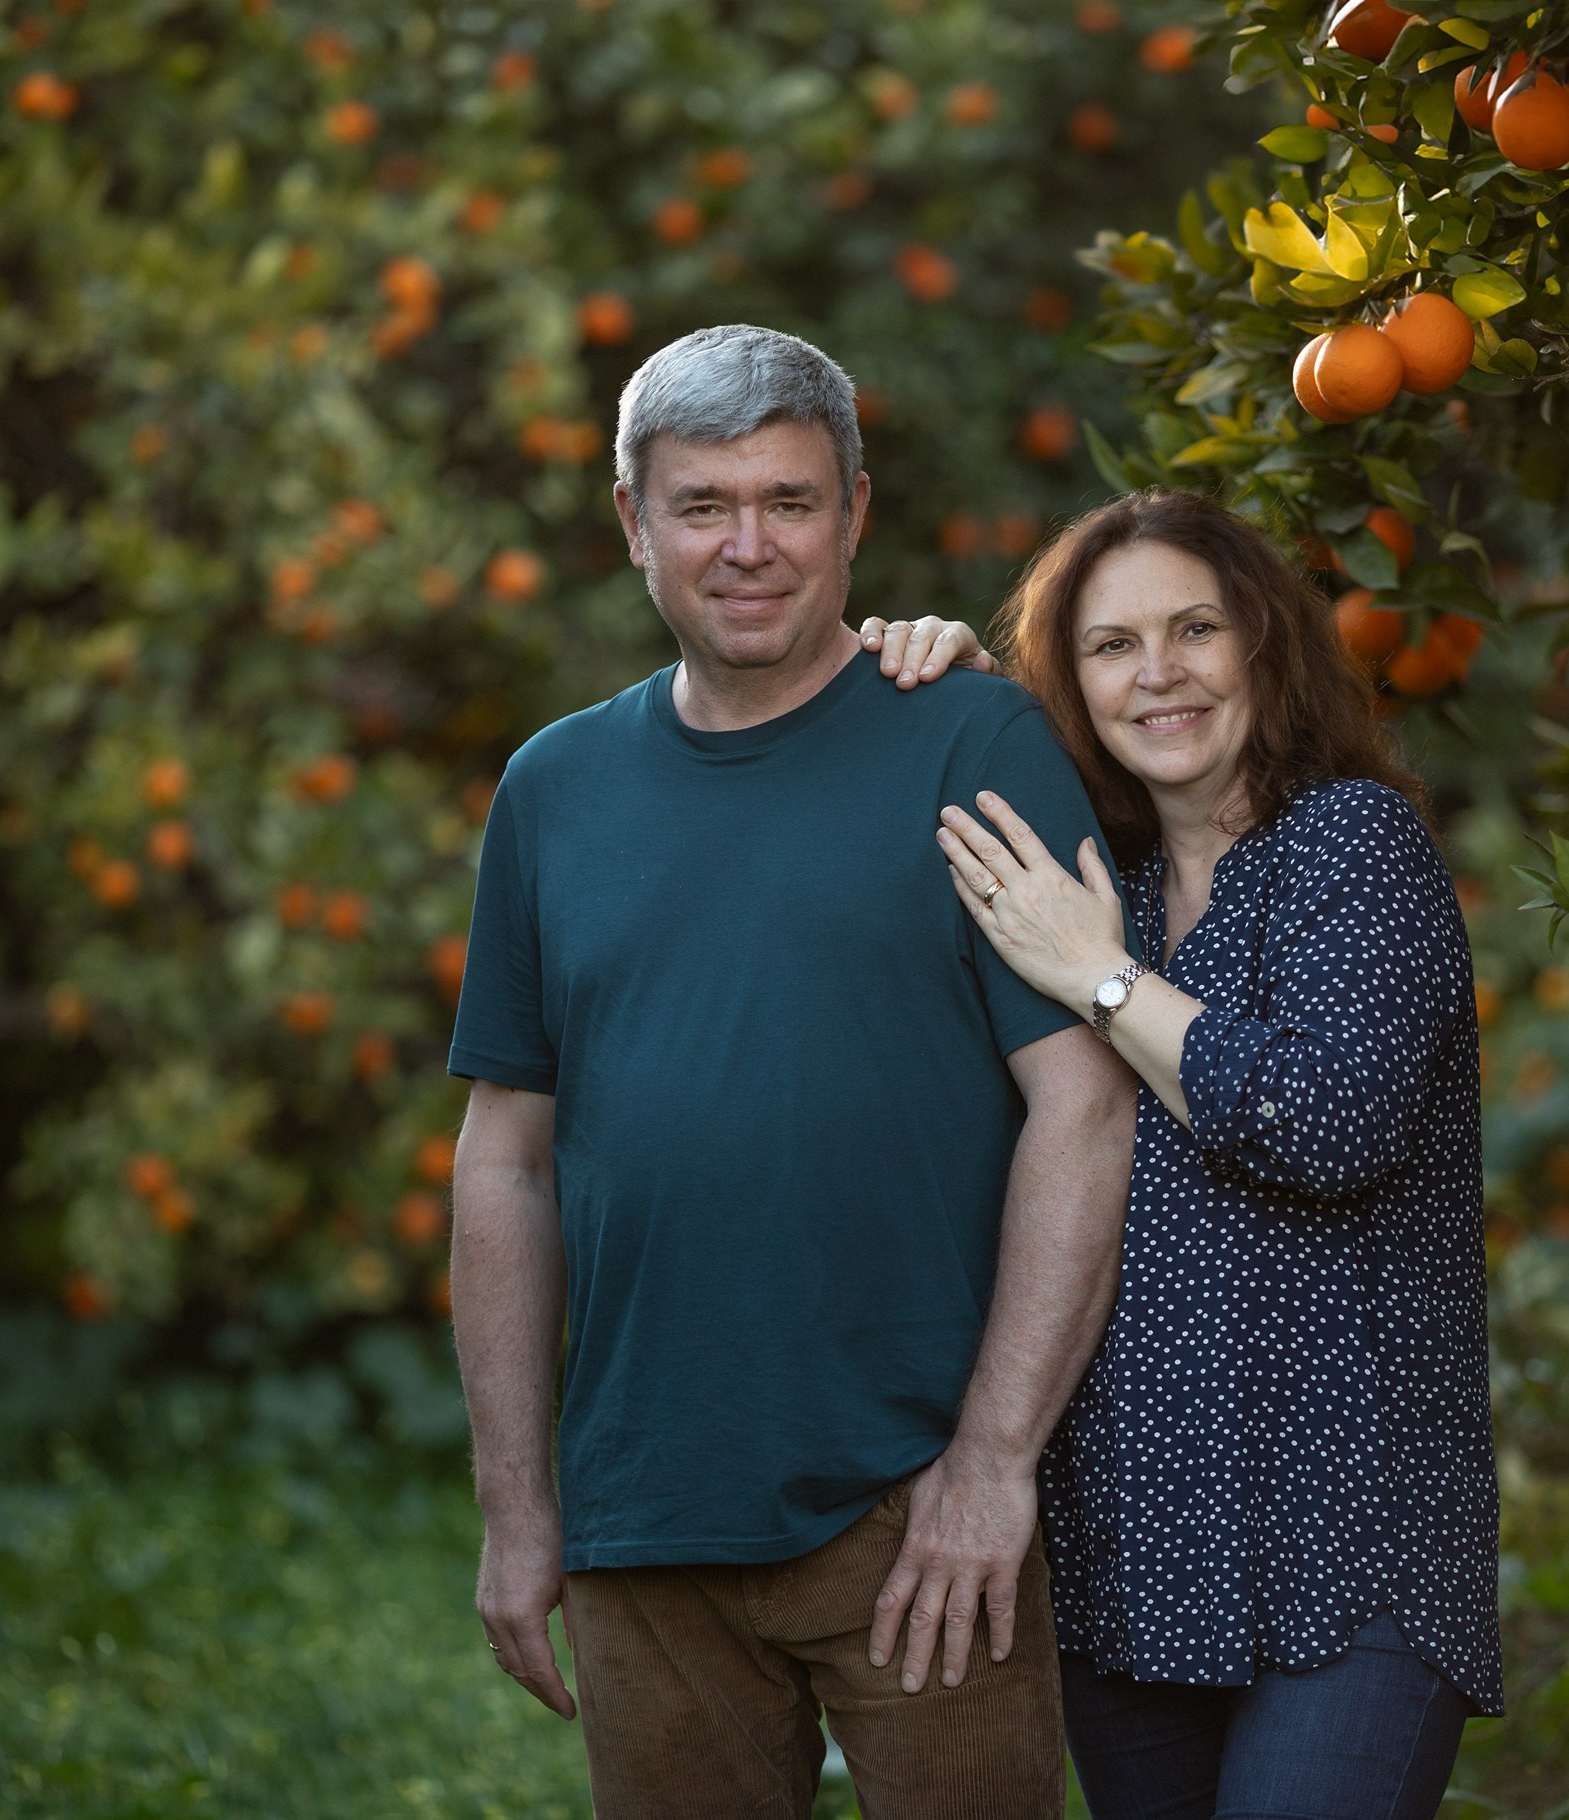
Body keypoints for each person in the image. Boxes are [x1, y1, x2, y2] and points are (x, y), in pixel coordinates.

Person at [444, 323, 1138, 1820]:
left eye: (790, 501)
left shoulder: (967, 740)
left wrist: (993, 1462)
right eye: (703, 506)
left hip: (920, 1515)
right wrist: (518, 1503)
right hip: (646, 1518)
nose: (747, 546)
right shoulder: (553, 791)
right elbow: (503, 1155)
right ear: (632, 522)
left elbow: (1082, 1110)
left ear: (856, 516)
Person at [858, 489, 1501, 1820]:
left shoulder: (1349, 848)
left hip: (1351, 1550)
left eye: (1192, 629)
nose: (1157, 674)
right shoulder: (1111, 886)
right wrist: (936, 691)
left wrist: (1099, 981)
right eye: (1108, 646)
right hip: (1132, 1557)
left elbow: (1327, 1123)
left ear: (1262, 644)